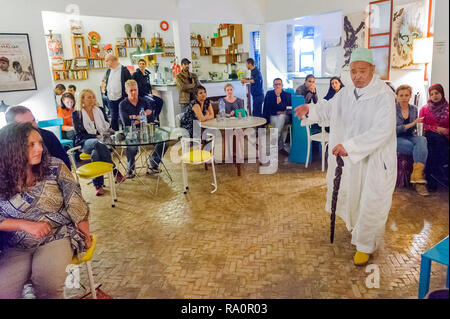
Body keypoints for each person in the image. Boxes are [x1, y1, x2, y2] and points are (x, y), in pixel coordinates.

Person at [295, 48, 397, 266]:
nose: (357, 76)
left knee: (371, 201)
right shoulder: (346, 92)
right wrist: (310, 110)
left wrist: (350, 146)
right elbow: (329, 108)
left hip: (374, 161)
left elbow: (383, 130)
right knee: (352, 196)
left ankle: (365, 245)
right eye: (353, 71)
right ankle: (355, 230)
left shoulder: (384, 95)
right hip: (352, 161)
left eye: (362, 71)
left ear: (372, 70)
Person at [0, 122, 92, 299]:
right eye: (31, 145)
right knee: (4, 290)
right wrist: (25, 225)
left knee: (47, 284)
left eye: (40, 143)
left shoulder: (54, 166)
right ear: (11, 149)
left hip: (56, 235)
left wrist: (84, 231)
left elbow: (75, 200)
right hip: (17, 243)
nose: (40, 149)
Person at [72, 89, 125, 196]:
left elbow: (107, 127)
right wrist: (96, 136)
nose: (92, 99)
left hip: (103, 140)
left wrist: (111, 134)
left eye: (93, 96)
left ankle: (98, 185)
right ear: (82, 99)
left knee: (96, 153)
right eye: (89, 97)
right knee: (97, 143)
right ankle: (114, 170)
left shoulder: (99, 110)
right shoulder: (77, 114)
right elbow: (79, 134)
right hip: (85, 142)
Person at [119, 80, 169, 177]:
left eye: (135, 90)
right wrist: (142, 116)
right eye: (131, 91)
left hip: (147, 129)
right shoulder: (122, 104)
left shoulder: (144, 101)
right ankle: (130, 168)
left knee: (164, 142)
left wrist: (133, 117)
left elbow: (151, 116)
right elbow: (126, 121)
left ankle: (154, 163)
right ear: (126, 91)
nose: (134, 93)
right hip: (130, 131)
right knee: (132, 148)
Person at [5, 105, 71, 169]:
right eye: (26, 125)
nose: (33, 126)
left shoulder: (48, 136)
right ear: (12, 128)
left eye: (33, 121)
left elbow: (65, 164)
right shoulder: (6, 146)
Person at [395, 85, 429, 196]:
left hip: (410, 137)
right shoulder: (392, 109)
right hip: (396, 138)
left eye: (406, 95)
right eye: (401, 95)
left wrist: (418, 126)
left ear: (410, 96)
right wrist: (413, 123)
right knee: (419, 148)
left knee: (422, 140)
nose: (404, 98)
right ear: (397, 97)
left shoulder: (414, 108)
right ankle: (419, 182)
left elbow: (414, 129)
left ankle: (416, 176)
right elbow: (394, 130)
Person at [419, 83, 449, 191]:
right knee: (436, 139)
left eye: (437, 93)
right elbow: (421, 125)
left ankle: (431, 176)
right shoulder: (424, 109)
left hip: (445, 138)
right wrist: (437, 129)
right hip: (430, 136)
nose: (434, 96)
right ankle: (439, 173)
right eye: (431, 94)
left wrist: (446, 131)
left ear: (442, 93)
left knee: (432, 150)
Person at [263, 78, 292, 154]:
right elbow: (267, 107)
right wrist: (277, 112)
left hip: (285, 116)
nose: (277, 86)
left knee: (281, 117)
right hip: (273, 115)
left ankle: (273, 144)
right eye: (276, 84)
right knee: (279, 119)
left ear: (282, 85)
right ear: (273, 86)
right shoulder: (269, 94)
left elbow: (288, 108)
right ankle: (281, 146)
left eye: (279, 84)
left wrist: (279, 97)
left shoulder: (287, 95)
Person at [104, 54, 132, 131]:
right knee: (113, 118)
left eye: (107, 61)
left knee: (124, 118)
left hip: (122, 98)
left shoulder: (124, 70)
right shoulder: (108, 71)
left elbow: (129, 84)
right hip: (111, 98)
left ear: (113, 60)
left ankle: (126, 135)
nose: (105, 62)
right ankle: (115, 138)